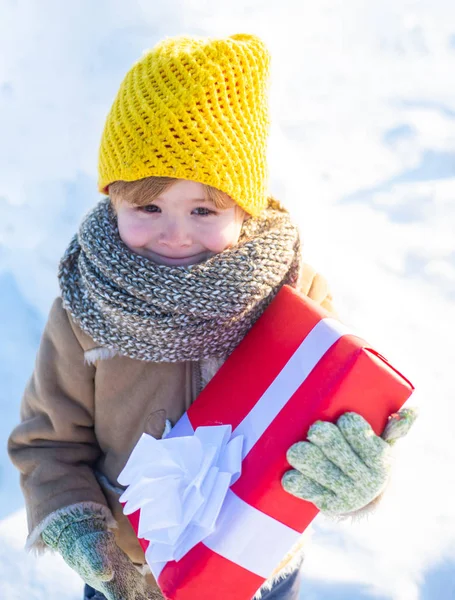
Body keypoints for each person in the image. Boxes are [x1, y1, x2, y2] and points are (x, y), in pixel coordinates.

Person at [7, 33, 417, 600]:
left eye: (204, 209)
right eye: (148, 206)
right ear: (113, 198)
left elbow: (334, 423)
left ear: (244, 208)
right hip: (131, 578)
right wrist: (81, 530)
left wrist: (355, 481)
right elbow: (48, 443)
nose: (175, 234)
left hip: (259, 566)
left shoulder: (290, 296)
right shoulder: (88, 308)